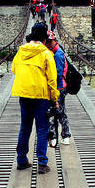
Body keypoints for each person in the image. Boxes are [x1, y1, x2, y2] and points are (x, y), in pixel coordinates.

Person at [11, 22, 59, 174]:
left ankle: (21, 160)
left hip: (23, 94)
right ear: (44, 39)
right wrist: (55, 99)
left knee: (25, 127)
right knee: (42, 129)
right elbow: (52, 80)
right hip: (41, 96)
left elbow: (14, 70)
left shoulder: (20, 51)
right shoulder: (46, 54)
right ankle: (42, 163)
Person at [44, 30, 71, 147]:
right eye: (47, 42)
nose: (48, 44)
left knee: (56, 112)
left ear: (55, 41)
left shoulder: (58, 54)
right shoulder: (55, 52)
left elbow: (58, 73)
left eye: (50, 42)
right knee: (59, 111)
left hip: (58, 87)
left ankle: (59, 136)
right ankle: (63, 135)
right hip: (58, 86)